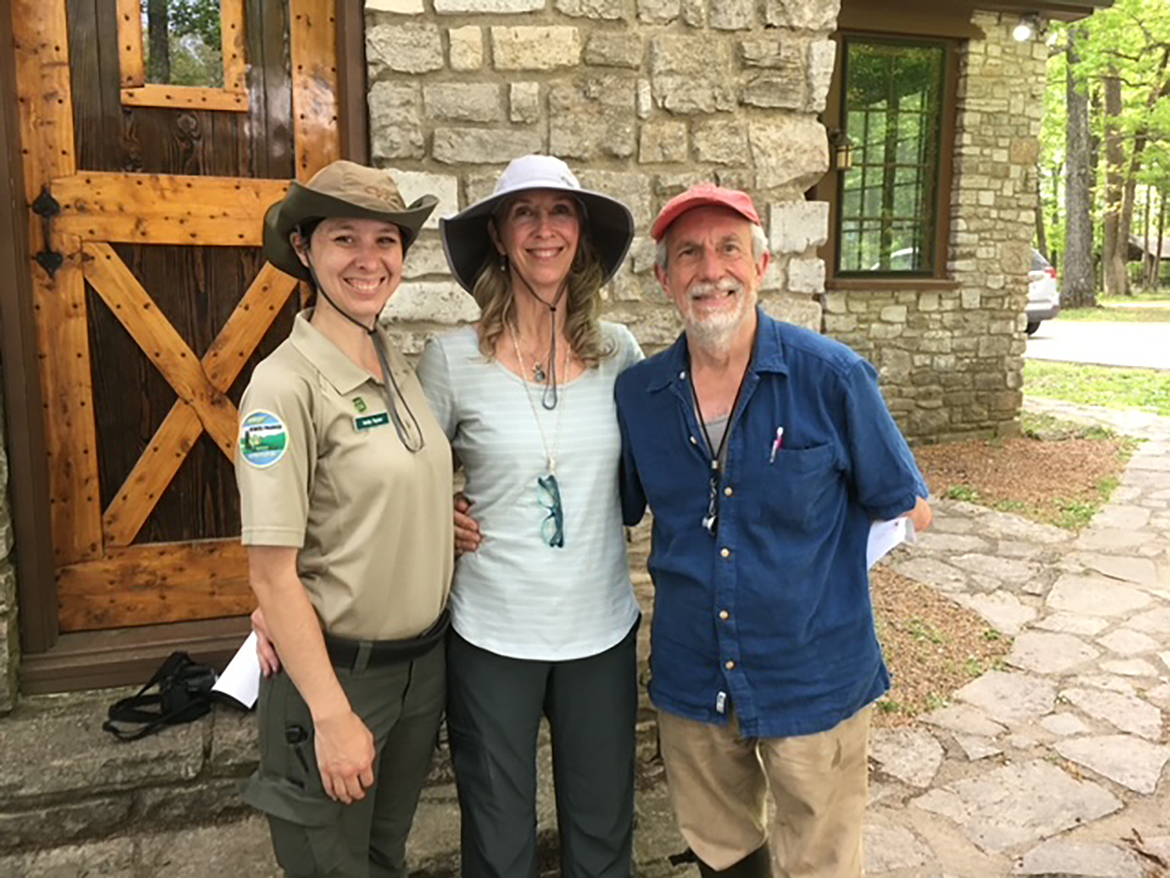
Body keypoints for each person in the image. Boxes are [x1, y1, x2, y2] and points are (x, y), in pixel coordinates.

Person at [615, 184, 933, 878]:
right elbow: (615, 502)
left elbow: (906, 503)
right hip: (693, 677)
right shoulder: (638, 396)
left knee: (819, 861)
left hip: (812, 678)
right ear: (663, 278)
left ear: (761, 266)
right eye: (690, 254)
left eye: (730, 248)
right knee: (721, 851)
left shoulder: (834, 378)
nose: (711, 269)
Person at [416, 154, 642, 878]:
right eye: (525, 212)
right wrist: (431, 514)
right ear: (499, 234)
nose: (544, 230)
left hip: (599, 630)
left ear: (582, 234)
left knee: (603, 831)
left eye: (560, 212)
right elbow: (400, 473)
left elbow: (666, 465)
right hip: (492, 634)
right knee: (499, 836)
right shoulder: (450, 362)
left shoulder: (620, 355)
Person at [236, 160, 453, 878]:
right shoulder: (283, 385)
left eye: (385, 241)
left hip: (420, 671)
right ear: (304, 250)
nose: (368, 260)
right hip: (337, 677)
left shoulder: (392, 359)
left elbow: (371, 491)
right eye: (344, 239)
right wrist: (330, 716)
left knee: (384, 858)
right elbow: (269, 569)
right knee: (331, 866)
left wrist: (434, 522)